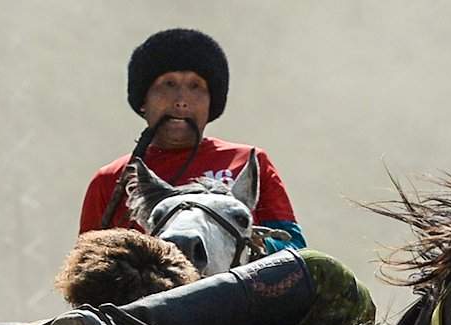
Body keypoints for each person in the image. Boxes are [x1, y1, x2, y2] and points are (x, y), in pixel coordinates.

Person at [79, 29, 303, 250]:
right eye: (168, 84)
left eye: (195, 86)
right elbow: (85, 271)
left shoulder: (249, 162)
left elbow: (293, 248)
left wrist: (248, 243)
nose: (181, 101)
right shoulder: (109, 180)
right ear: (143, 101)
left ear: (211, 103)